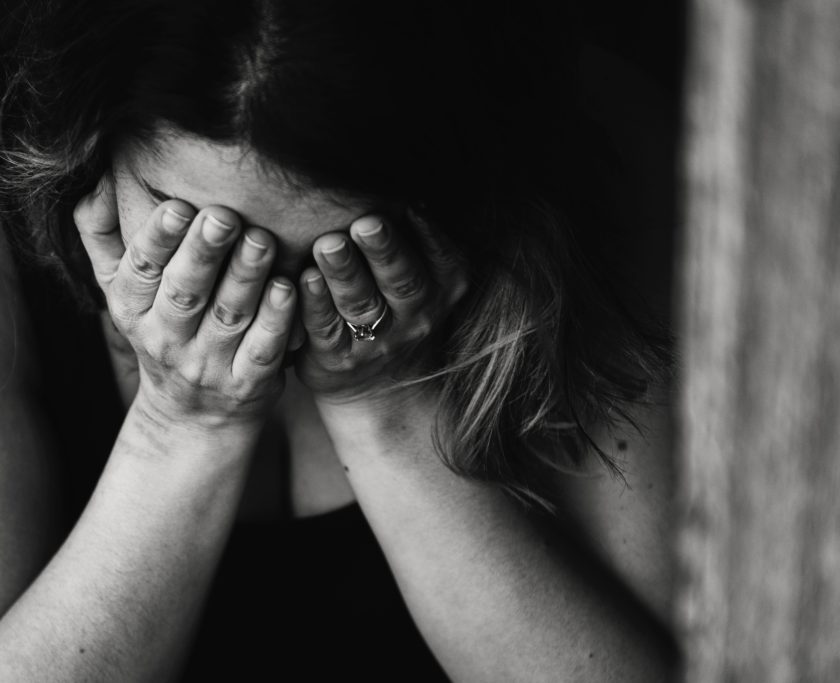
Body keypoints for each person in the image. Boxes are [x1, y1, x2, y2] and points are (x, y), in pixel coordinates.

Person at [0, 0, 677, 679]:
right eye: (199, 234)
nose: (265, 303)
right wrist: (178, 424)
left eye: (337, 253)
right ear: (91, 141)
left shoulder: (596, 155)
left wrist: (385, 407)